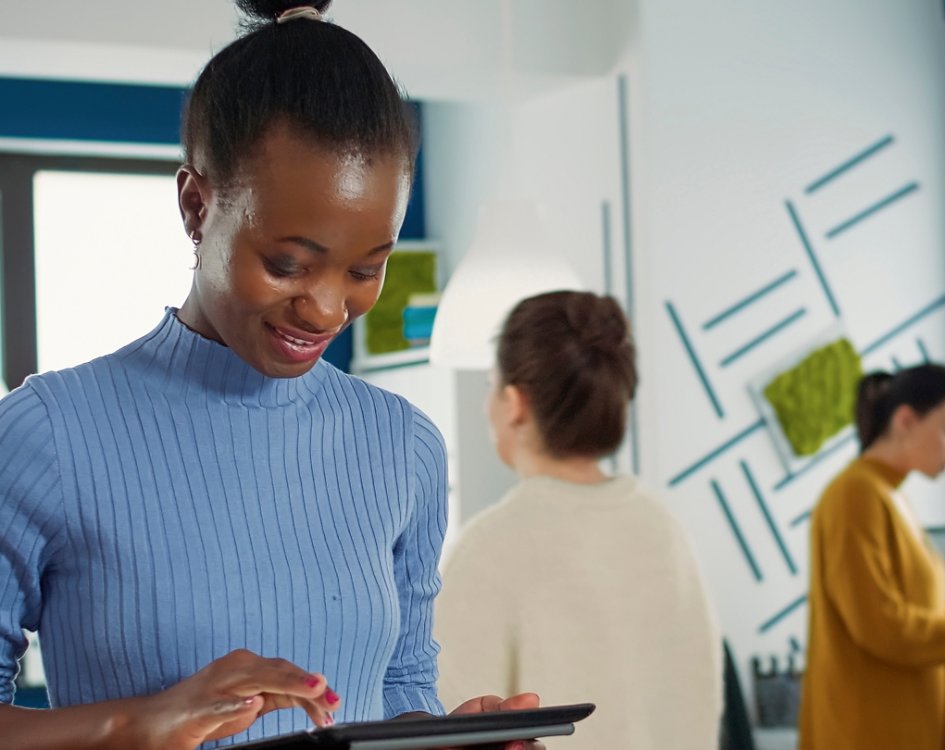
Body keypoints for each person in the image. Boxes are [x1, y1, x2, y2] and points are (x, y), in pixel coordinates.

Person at [0, 2, 539, 748]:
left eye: (364, 269)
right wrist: (132, 725)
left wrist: (438, 738)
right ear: (196, 205)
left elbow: (399, 686)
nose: (324, 309)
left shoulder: (402, 445)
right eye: (287, 263)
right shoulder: (46, 435)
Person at [433, 290, 723, 750]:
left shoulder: (492, 546)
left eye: (491, 383)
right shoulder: (661, 526)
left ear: (515, 403)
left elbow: (447, 729)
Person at [798, 364, 945, 750]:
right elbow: (887, 629)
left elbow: (929, 613)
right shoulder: (855, 496)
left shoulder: (890, 496)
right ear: (906, 419)